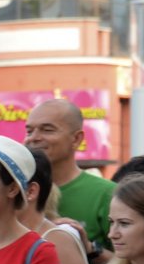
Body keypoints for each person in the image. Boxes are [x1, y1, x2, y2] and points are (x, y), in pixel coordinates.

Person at [24, 97, 113, 254]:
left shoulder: (108, 194)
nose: (34, 138)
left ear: (76, 139)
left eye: (47, 130)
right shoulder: (14, 191)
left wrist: (90, 249)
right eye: (29, 131)